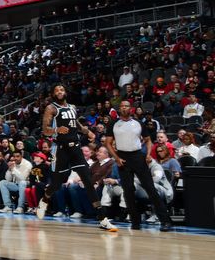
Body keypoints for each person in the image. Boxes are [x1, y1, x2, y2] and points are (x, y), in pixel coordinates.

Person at [35, 83, 117, 231]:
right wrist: (56, 129)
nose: (60, 91)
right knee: (57, 183)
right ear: (53, 94)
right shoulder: (51, 108)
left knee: (87, 180)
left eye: (62, 89)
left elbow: (76, 124)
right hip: (60, 149)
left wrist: (87, 131)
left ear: (65, 92)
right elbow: (45, 130)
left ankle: (102, 218)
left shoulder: (72, 107)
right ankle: (45, 198)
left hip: (75, 149)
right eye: (57, 90)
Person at [103, 100, 173, 231]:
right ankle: (135, 222)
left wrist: (147, 154)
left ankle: (165, 220)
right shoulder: (113, 124)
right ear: (119, 109)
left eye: (126, 106)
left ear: (131, 109)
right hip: (122, 157)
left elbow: (148, 140)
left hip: (137, 156)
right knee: (128, 191)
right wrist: (116, 158)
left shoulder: (138, 123)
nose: (124, 108)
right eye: (122, 106)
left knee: (150, 188)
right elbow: (107, 143)